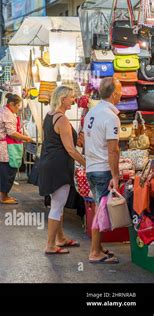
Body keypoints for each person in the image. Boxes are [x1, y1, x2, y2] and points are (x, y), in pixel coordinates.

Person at [38, 86, 86, 255]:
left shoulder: (49, 116)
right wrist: (86, 163)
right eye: (71, 97)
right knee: (57, 206)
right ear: (63, 98)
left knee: (57, 203)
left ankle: (60, 238)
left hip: (49, 164)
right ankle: (50, 245)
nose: (73, 100)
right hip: (59, 167)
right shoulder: (62, 120)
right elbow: (71, 150)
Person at [83, 77, 122, 264]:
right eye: (120, 89)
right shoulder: (110, 116)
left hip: (91, 167)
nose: (122, 93)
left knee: (99, 206)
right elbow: (113, 149)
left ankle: (98, 247)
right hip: (102, 169)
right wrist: (115, 175)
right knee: (100, 209)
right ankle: (94, 252)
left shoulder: (91, 113)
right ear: (114, 93)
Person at [0, 93, 32, 204]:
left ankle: (4, 195)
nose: (18, 109)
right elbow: (12, 133)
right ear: (12, 104)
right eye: (18, 106)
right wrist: (27, 138)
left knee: (1, 171)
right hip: (4, 148)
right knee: (7, 172)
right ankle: (4, 197)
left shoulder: (2, 110)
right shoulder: (8, 114)